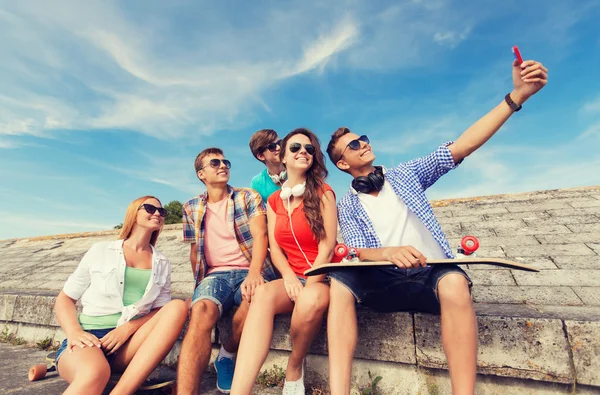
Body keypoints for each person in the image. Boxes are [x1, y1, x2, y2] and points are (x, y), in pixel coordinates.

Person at [325, 59, 548, 395]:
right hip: (383, 280)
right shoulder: (348, 203)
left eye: (364, 138)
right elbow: (357, 249)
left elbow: (462, 145)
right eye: (354, 145)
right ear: (343, 163)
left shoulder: (406, 174)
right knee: (339, 283)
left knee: (456, 283)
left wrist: (516, 97)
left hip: (430, 272)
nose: (364, 144)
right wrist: (387, 252)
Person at [231, 128, 338, 395]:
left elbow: (327, 248)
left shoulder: (324, 192)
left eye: (309, 148)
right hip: (293, 277)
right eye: (296, 148)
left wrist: (309, 284)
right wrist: (289, 278)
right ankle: (239, 391)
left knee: (310, 299)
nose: (304, 151)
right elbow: (275, 248)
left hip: (323, 277)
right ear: (284, 157)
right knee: (262, 293)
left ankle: (294, 366)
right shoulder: (274, 200)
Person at [54, 196, 188, 395]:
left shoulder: (162, 262)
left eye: (162, 211)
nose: (158, 214)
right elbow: (65, 298)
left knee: (177, 306)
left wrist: (127, 329)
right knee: (94, 374)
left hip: (129, 343)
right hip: (90, 339)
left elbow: (160, 311)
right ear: (134, 213)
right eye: (150, 208)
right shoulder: (100, 250)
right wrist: (74, 332)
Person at [177, 148, 274, 394]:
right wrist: (198, 288)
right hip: (216, 275)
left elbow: (261, 235)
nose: (223, 166)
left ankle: (226, 354)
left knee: (255, 298)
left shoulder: (247, 197)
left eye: (225, 162)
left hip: (250, 269)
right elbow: (194, 250)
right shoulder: (191, 207)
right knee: (200, 311)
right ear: (201, 174)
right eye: (215, 163)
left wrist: (254, 273)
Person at [249, 128, 287, 202]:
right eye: (272, 146)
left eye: (279, 143)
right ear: (261, 156)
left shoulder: (297, 169)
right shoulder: (257, 183)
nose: (279, 148)